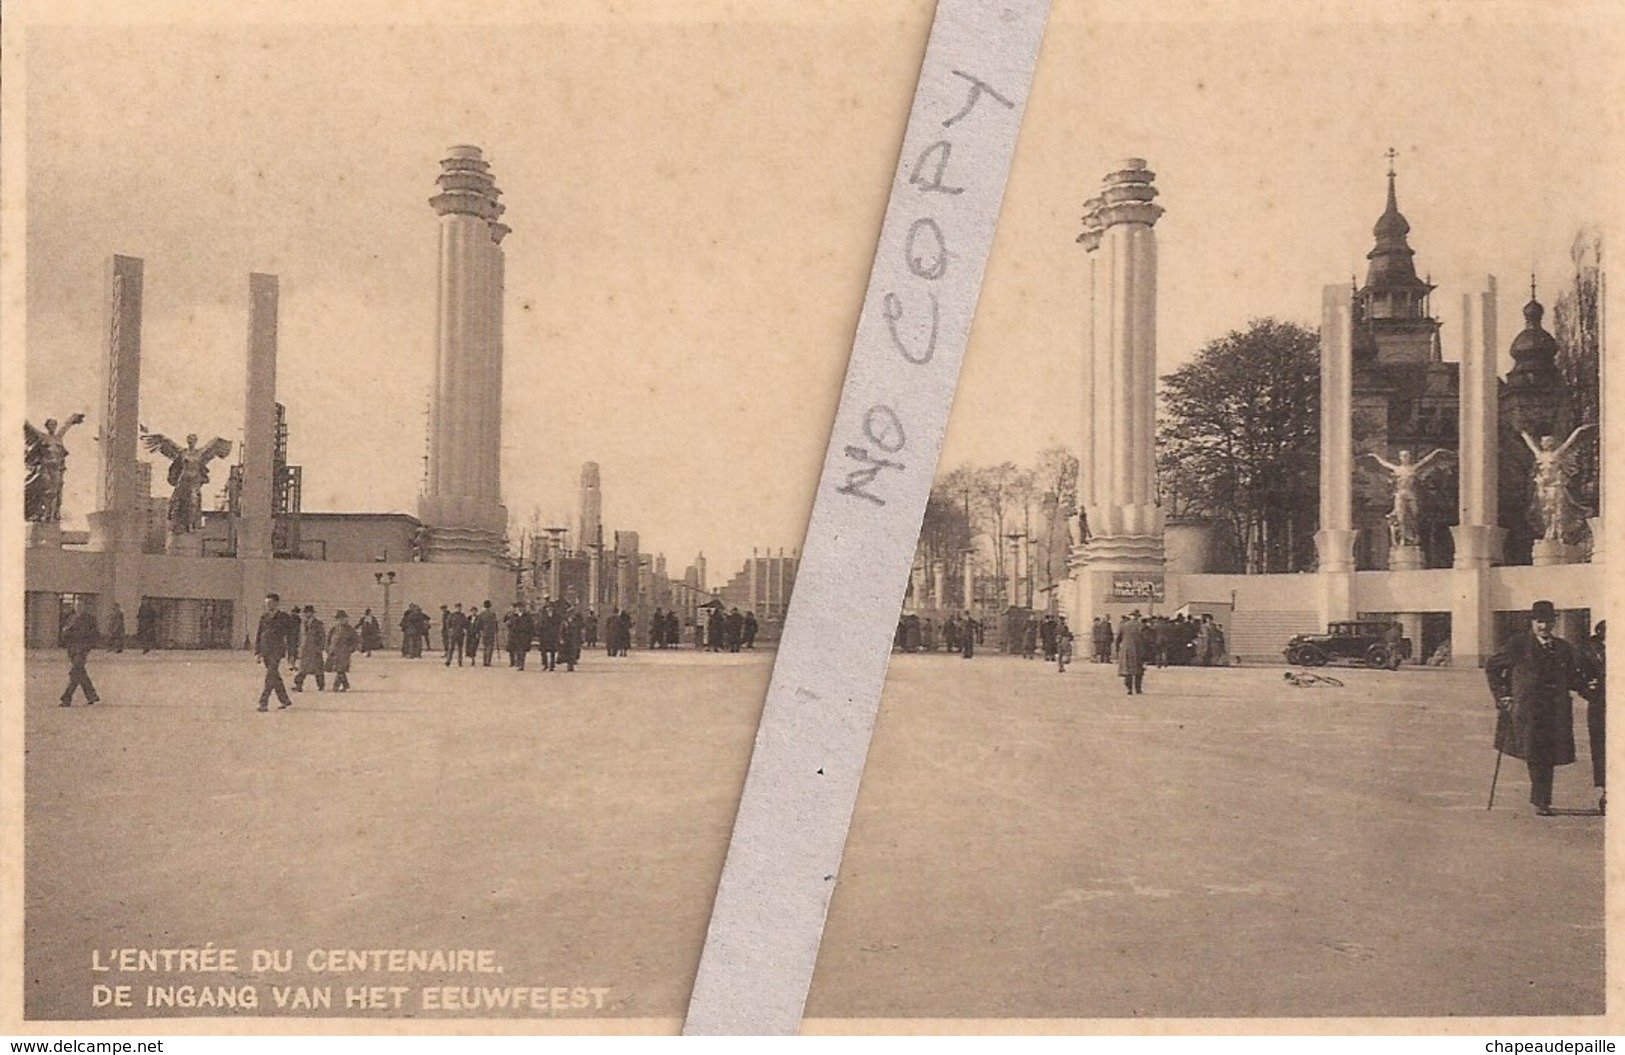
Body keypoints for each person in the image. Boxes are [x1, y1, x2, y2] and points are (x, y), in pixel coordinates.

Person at [1486, 599, 1586, 815]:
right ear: (1532, 623)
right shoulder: (1519, 644)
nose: (1544, 626)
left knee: (1547, 755)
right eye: (1540, 622)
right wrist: (1504, 696)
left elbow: (1572, 677)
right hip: (1529, 710)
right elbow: (1493, 668)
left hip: (1555, 711)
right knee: (1536, 754)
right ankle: (1541, 800)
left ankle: (1541, 800)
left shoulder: (1563, 648)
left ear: (1554, 623)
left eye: (1548, 622)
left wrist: (1592, 691)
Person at [1580, 620, 1607, 814]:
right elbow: (1579, 676)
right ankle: (1608, 792)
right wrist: (1587, 689)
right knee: (1602, 749)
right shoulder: (1590, 648)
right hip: (1600, 706)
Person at [254, 593, 297, 711]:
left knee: (270, 676)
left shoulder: (284, 617)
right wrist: (258, 652)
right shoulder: (264, 617)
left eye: (270, 603)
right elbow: (259, 635)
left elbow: (291, 637)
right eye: (266, 603)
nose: (268, 606)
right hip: (265, 650)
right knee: (274, 676)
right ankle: (285, 700)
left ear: (277, 603)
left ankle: (263, 702)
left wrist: (292, 654)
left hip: (277, 650)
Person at [58, 597, 101, 707]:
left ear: (85, 607)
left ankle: (66, 698)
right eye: (77, 605)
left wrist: (88, 646)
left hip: (82, 649)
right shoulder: (71, 618)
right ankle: (92, 695)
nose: (78, 608)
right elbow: (64, 633)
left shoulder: (89, 619)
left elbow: (94, 635)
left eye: (81, 605)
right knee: (80, 673)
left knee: (75, 673)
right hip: (72, 649)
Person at [292, 605, 326, 692]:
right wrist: (298, 648)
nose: (308, 614)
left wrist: (320, 647)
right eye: (306, 613)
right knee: (303, 668)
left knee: (318, 669)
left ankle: (321, 685)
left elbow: (322, 636)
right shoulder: (302, 624)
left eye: (309, 612)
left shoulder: (318, 623)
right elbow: (300, 636)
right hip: (304, 650)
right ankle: (298, 685)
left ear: (312, 613)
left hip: (314, 649)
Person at [326, 610, 358, 692]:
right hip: (334, 652)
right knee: (339, 669)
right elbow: (328, 639)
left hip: (344, 652)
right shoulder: (334, 628)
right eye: (339, 619)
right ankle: (345, 685)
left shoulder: (350, 629)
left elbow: (355, 640)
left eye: (343, 619)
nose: (341, 620)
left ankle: (336, 686)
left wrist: (352, 648)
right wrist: (328, 648)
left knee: (341, 669)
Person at [1117, 612, 1148, 695]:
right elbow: (1146, 638)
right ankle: (1138, 689)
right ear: (1138, 617)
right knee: (1138, 669)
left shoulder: (1123, 625)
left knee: (1127, 670)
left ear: (1130, 616)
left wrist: (1118, 648)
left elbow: (1118, 638)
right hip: (1138, 649)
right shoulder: (1142, 625)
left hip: (1126, 649)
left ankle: (1129, 689)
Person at [477, 600, 499, 667]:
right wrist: (496, 630)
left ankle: (484, 661)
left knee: (485, 647)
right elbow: (495, 623)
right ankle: (488, 661)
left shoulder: (481, 614)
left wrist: (480, 631)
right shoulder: (492, 614)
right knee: (490, 647)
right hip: (491, 632)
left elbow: (478, 624)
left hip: (484, 632)